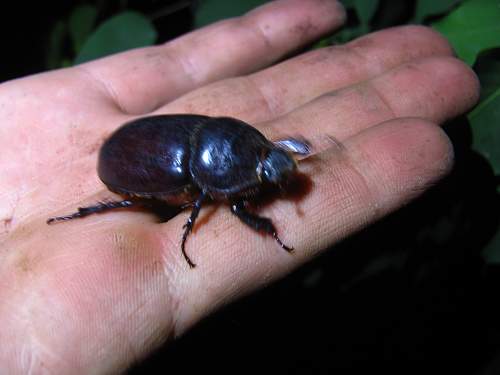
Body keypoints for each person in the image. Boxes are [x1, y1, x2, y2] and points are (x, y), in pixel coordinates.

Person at [0, 0, 479, 372]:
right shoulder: (208, 179)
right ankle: (82, 214)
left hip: (180, 144)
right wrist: (267, 230)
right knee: (129, 202)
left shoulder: (233, 140)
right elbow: (228, 204)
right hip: (137, 160)